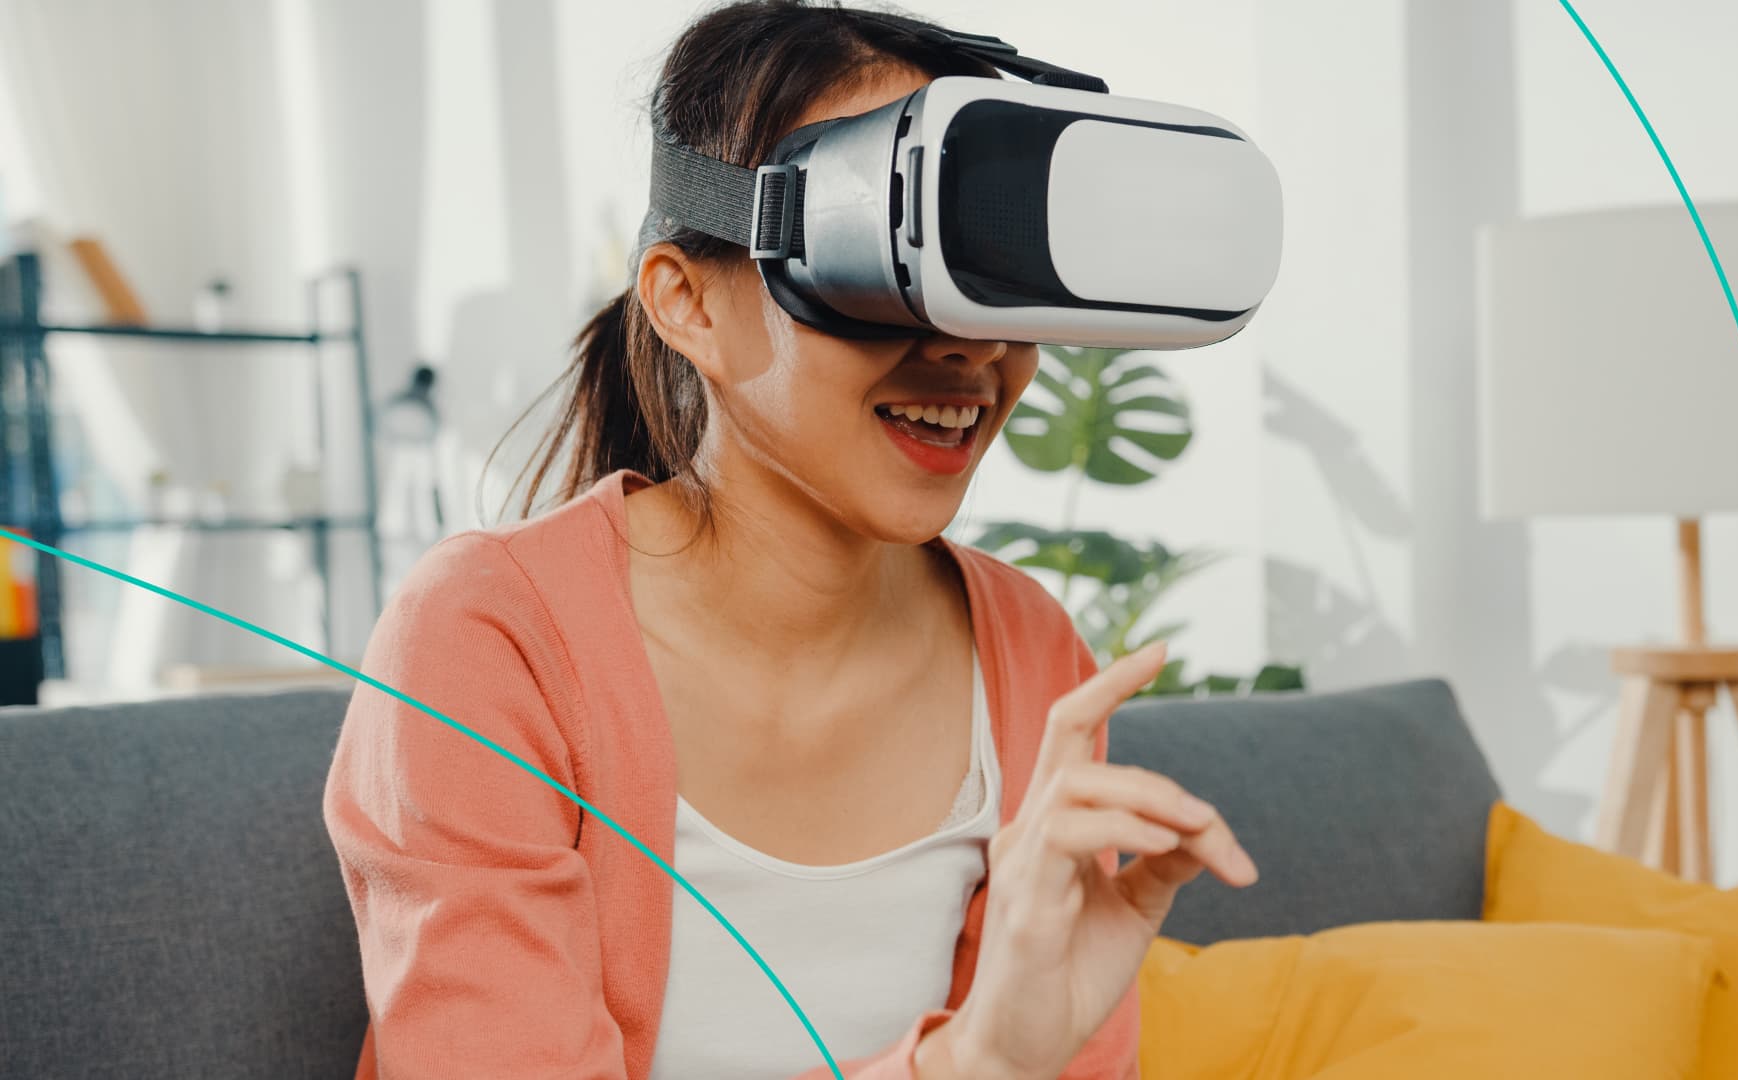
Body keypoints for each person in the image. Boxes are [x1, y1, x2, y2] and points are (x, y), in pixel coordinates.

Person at [322, 3, 1257, 1077]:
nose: (970, 351)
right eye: (882, 264)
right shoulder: (487, 638)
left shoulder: (1031, 652)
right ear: (688, 303)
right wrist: (970, 1064)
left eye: (987, 274)